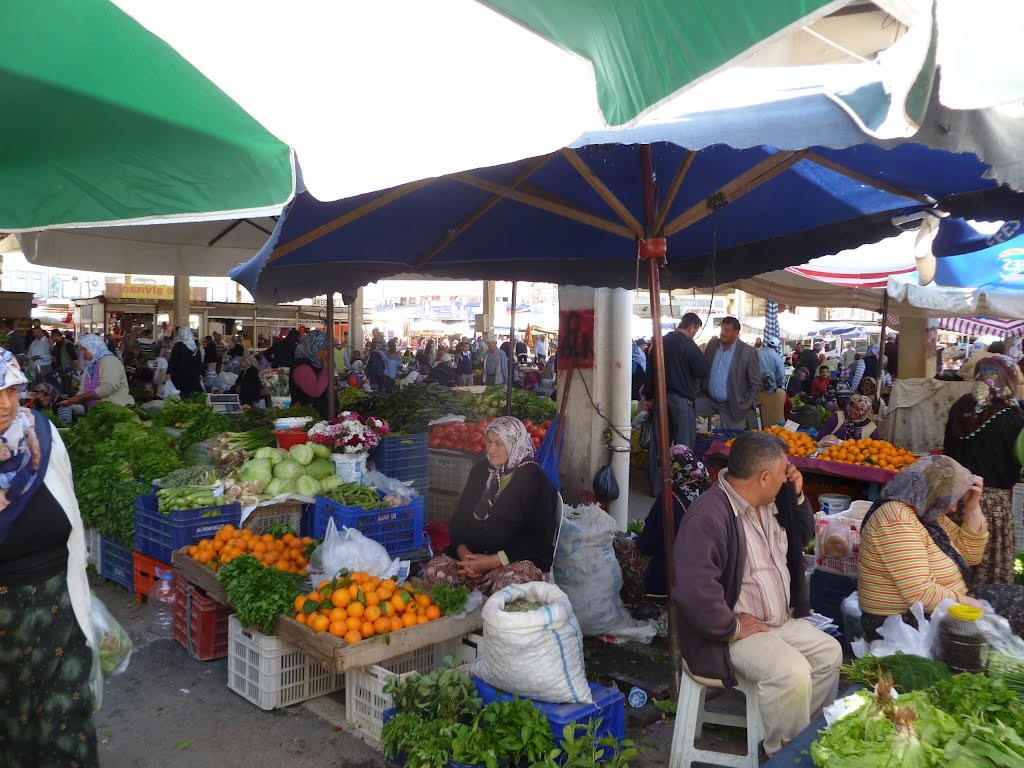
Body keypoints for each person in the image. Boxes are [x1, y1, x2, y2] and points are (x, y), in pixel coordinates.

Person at [674, 431, 841, 757]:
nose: (784, 479)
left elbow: (801, 535)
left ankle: (794, 742)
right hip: (726, 634)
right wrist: (732, 626)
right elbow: (693, 591)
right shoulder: (708, 517)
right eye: (781, 474)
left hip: (777, 621)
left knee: (829, 654)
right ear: (764, 477)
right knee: (791, 672)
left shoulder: (767, 500)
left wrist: (796, 494)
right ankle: (781, 755)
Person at [0, 350, 100, 767]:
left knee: (67, 729)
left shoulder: (44, 434)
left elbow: (72, 515)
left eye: (9, 389)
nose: (6, 403)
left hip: (61, 611)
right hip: (5, 627)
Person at [858, 455, 1024, 640]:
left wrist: (973, 507)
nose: (953, 508)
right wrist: (969, 604)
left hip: (939, 606)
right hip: (902, 622)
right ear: (933, 491)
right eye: (951, 497)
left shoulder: (928, 515)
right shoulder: (896, 519)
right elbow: (921, 593)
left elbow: (969, 556)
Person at [421, 417, 559, 595]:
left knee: (510, 587)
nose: (491, 449)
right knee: (435, 572)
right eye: (489, 442)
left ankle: (490, 604)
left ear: (514, 445)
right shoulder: (481, 471)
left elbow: (540, 537)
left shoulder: (533, 479)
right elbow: (460, 518)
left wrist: (493, 561)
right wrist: (464, 553)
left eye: (499, 444)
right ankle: (475, 597)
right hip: (473, 561)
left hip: (510, 564)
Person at [943, 355, 1024, 584]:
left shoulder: (959, 408)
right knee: (986, 566)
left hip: (955, 499)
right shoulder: (1013, 419)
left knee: (954, 559)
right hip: (992, 508)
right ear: (1009, 379)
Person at [623, 444, 710, 602]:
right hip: (707, 577)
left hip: (669, 579)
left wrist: (633, 541)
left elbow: (646, 544)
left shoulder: (670, 499)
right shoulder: (710, 493)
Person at [646, 313, 710, 492]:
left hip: (660, 398)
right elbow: (702, 369)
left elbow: (650, 373)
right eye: (695, 330)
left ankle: (656, 488)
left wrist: (651, 397)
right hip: (681, 401)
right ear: (691, 327)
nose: (694, 334)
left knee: (659, 443)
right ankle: (682, 488)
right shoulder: (687, 344)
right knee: (683, 446)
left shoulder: (659, 342)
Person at [695, 317, 761, 431]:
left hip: (734, 404)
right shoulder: (713, 345)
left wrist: (747, 404)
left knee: (733, 440)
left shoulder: (748, 352)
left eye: (727, 330)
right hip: (709, 399)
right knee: (686, 411)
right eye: (722, 329)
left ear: (736, 333)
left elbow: (755, 383)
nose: (722, 333)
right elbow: (703, 369)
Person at [58, 334, 135, 412]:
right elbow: (83, 388)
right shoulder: (90, 365)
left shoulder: (109, 361)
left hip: (116, 411)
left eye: (85, 349)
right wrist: (72, 400)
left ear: (93, 347)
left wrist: (80, 398)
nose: (82, 353)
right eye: (81, 350)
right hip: (97, 412)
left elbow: (108, 387)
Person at [289, 329, 330, 419]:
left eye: (327, 349)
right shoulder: (302, 367)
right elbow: (315, 391)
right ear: (312, 347)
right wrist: (326, 370)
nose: (326, 353)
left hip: (319, 420)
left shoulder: (317, 364)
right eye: (322, 349)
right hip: (307, 420)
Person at [168, 327, 204, 398]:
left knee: (182, 395)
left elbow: (173, 360)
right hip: (193, 376)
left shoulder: (178, 345)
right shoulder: (195, 347)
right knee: (192, 395)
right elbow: (199, 361)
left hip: (180, 375)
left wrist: (169, 372)